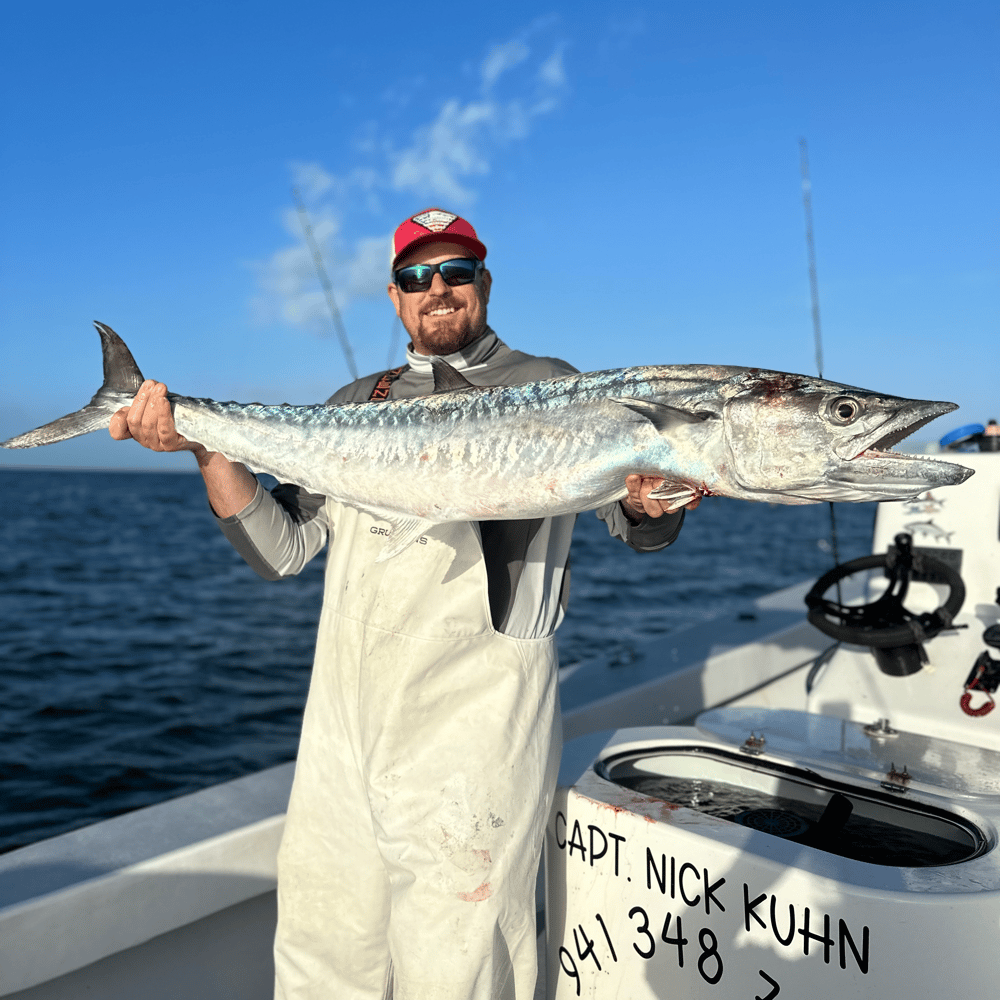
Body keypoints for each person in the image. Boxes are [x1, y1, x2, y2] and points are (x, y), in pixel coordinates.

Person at [110, 208, 697, 1000]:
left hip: (478, 725)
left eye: (457, 272)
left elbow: (630, 523)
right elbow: (281, 549)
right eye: (418, 277)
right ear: (395, 297)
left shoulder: (553, 386)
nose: (439, 290)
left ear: (484, 284)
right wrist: (209, 443)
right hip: (344, 725)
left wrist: (655, 507)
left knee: (459, 957)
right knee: (324, 946)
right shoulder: (358, 397)